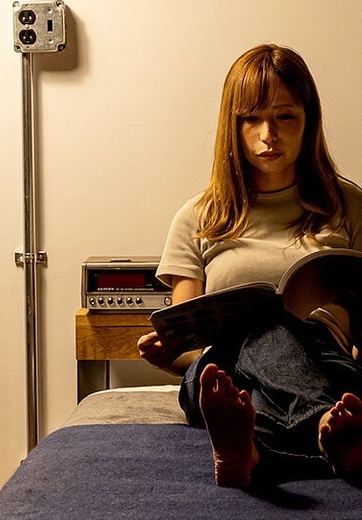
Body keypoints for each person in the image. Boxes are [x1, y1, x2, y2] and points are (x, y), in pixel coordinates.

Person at [138, 43, 362, 489]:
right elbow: (188, 341)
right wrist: (168, 356)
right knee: (262, 329)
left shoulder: (349, 204)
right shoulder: (198, 217)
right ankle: (327, 432)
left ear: (309, 120)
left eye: (285, 117)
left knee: (269, 385)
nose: (268, 134)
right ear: (233, 125)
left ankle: (253, 453)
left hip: (327, 363)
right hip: (221, 374)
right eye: (251, 119)